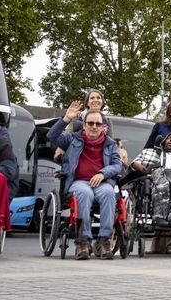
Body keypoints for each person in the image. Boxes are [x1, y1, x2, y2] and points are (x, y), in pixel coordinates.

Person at [48, 107, 123, 260]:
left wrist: (103, 173)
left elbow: (117, 165)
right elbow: (52, 135)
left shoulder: (110, 144)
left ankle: (103, 241)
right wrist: (66, 119)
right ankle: (83, 241)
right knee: (85, 193)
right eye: (90, 123)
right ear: (84, 125)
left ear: (103, 126)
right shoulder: (72, 138)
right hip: (78, 182)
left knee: (109, 193)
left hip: (101, 182)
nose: (94, 127)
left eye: (98, 124)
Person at [131, 133, 171, 227]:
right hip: (155, 176)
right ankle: (159, 216)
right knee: (162, 179)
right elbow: (134, 163)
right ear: (164, 142)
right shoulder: (150, 152)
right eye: (169, 138)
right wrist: (140, 167)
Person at [54, 89, 114, 160]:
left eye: (98, 98)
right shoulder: (77, 119)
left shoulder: (107, 121)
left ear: (102, 102)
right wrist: (61, 148)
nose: (95, 100)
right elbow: (63, 137)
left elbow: (111, 145)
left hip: (98, 161)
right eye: (92, 98)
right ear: (87, 103)